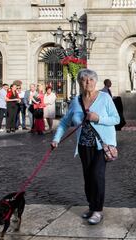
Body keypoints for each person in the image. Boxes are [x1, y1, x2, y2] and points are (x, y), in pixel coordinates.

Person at [51, 69, 120, 225]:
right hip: (83, 146)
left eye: (90, 79)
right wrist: (56, 139)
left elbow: (116, 119)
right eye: (84, 79)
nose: (87, 82)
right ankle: (91, 206)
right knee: (88, 178)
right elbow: (64, 122)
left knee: (97, 175)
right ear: (80, 82)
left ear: (95, 82)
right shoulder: (75, 101)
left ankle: (98, 210)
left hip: (102, 145)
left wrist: (98, 118)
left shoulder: (105, 98)